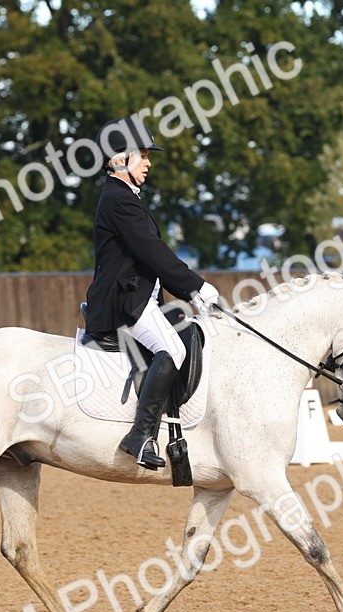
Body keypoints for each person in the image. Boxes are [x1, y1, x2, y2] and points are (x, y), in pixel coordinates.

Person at [85, 117, 220, 470]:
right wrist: (196, 287)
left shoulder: (125, 197)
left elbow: (151, 256)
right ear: (119, 159)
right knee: (172, 347)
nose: (149, 162)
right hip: (124, 303)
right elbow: (153, 252)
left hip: (141, 299)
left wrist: (188, 292)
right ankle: (140, 435)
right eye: (142, 155)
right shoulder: (119, 200)